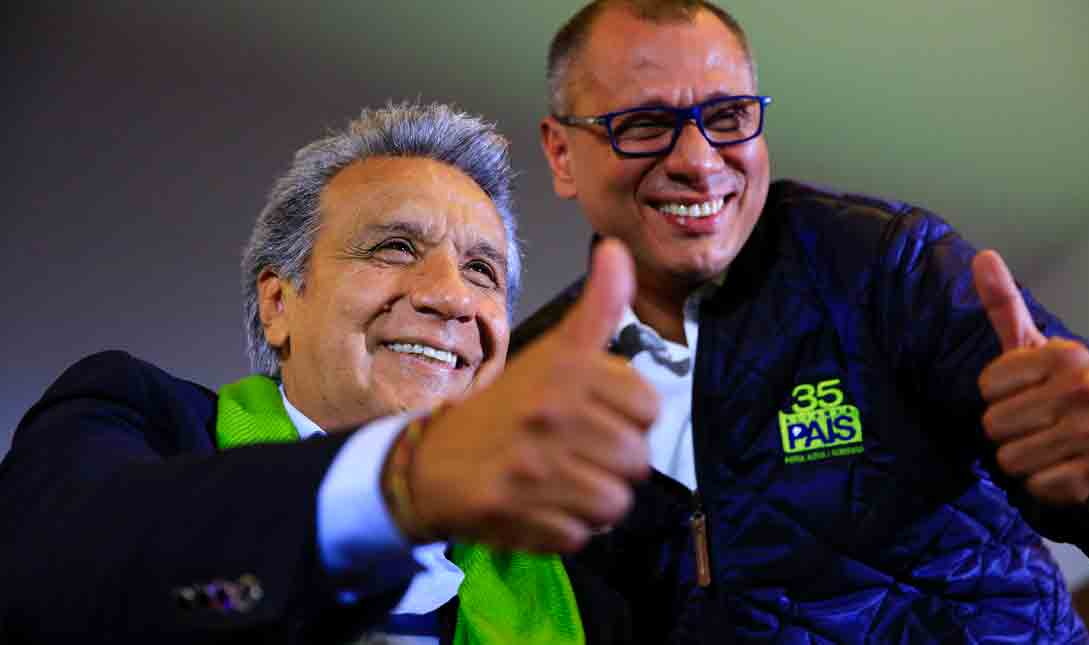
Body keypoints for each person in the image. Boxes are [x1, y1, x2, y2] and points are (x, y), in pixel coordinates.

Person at [520, 1, 1089, 642]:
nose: (699, 161)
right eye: (644, 125)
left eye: (729, 117)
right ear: (562, 153)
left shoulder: (885, 267)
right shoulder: (526, 381)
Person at [0, 102, 654, 643]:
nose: (451, 297)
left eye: (480, 270)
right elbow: (55, 578)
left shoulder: (581, 588)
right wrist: (399, 482)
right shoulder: (137, 420)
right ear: (278, 302)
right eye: (395, 247)